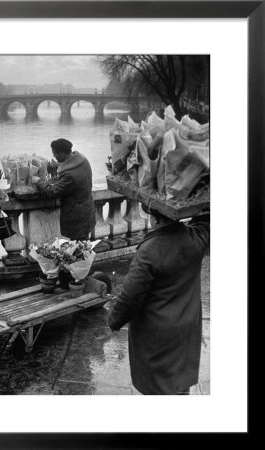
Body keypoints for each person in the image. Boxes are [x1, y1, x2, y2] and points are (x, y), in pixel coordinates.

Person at [108, 210, 210, 395]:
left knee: (158, 389)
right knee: (179, 384)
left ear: (154, 219)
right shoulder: (196, 238)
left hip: (157, 335)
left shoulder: (150, 250)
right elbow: (206, 219)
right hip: (186, 330)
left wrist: (114, 319)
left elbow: (129, 298)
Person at [31, 138, 96, 241]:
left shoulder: (69, 174)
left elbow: (52, 192)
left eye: (55, 154)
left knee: (79, 246)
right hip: (87, 208)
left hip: (77, 215)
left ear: (61, 154)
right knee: (83, 243)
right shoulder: (83, 160)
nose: (54, 157)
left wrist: (39, 182)